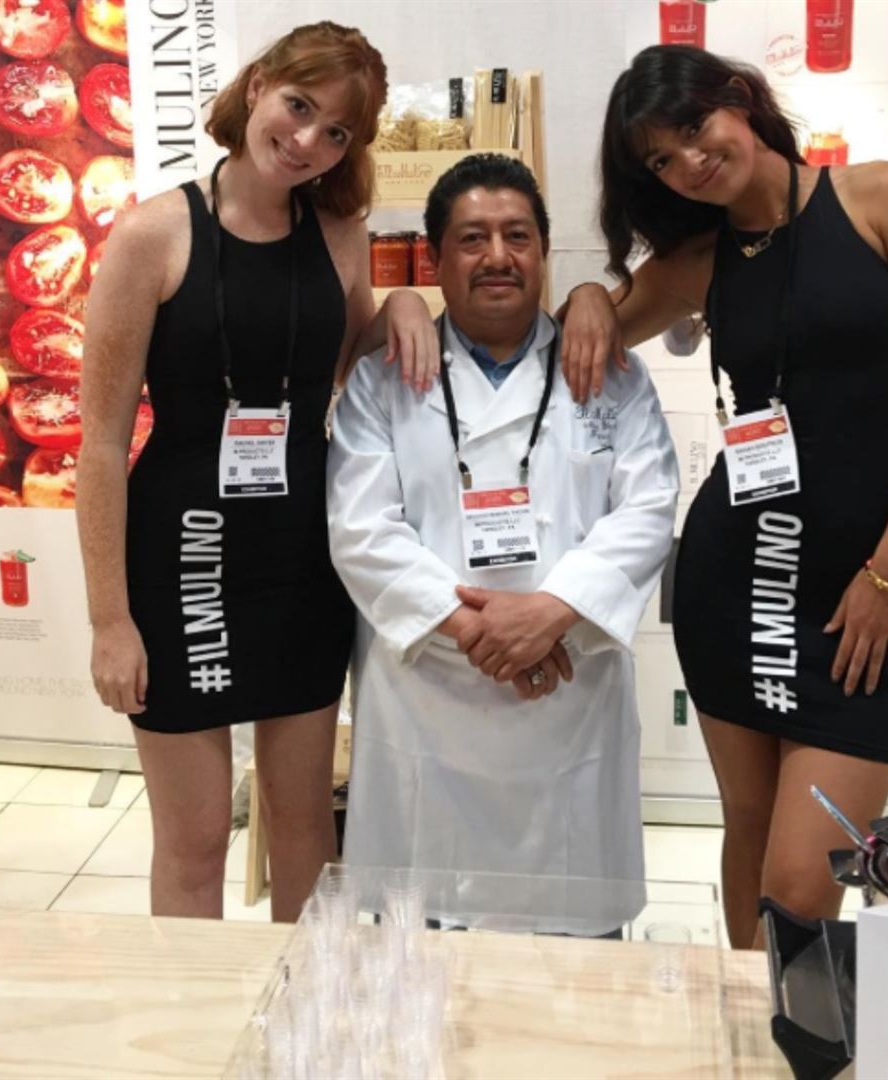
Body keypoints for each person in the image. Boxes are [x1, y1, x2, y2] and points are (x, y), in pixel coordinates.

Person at [561, 46, 888, 947]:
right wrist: (592, 294)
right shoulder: (695, 261)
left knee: (801, 881)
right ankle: (755, 1021)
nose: (689, 161)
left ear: (739, 99)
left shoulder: (883, 200)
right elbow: (566, 344)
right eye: (661, 159)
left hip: (862, 593)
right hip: (732, 581)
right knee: (749, 833)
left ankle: (785, 1012)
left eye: (693, 127)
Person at [76, 22, 439, 923]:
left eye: (336, 132)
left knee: (304, 825)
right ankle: (195, 1012)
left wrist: (400, 302)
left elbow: (342, 359)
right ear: (259, 85)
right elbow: (100, 442)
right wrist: (110, 619)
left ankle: (301, 1011)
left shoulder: (340, 231)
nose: (307, 140)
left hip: (301, 557)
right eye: (299, 106)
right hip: (184, 558)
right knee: (196, 839)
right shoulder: (153, 233)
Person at [327, 154, 679, 933]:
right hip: (428, 687)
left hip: (568, 683)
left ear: (544, 253)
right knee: (424, 947)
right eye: (472, 238)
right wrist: (477, 630)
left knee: (572, 950)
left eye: (517, 236)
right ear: (435, 258)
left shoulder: (613, 374)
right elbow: (361, 529)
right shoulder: (384, 380)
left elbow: (649, 509)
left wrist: (551, 612)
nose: (497, 256)